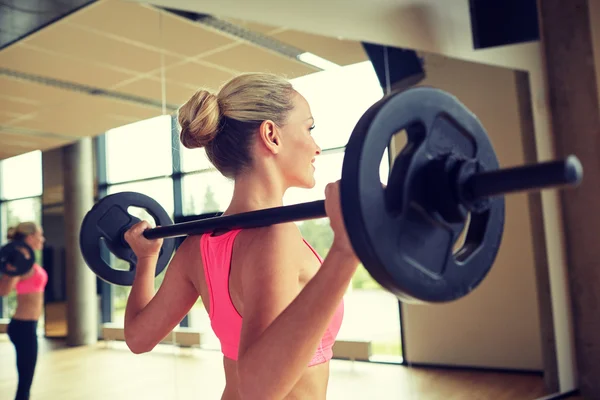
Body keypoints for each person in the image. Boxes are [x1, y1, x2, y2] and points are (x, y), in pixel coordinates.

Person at [123, 73, 360, 399]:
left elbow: (138, 338)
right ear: (271, 135)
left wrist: (147, 259)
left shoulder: (197, 245)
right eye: (309, 128)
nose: (316, 147)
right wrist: (345, 253)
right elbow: (258, 390)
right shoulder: (274, 238)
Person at [0, 222, 47, 400]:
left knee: (26, 380)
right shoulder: (20, 258)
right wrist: (12, 270)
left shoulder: (28, 258)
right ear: (30, 237)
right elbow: (4, 290)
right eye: (40, 235)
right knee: (25, 383)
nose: (42, 239)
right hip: (23, 327)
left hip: (28, 326)